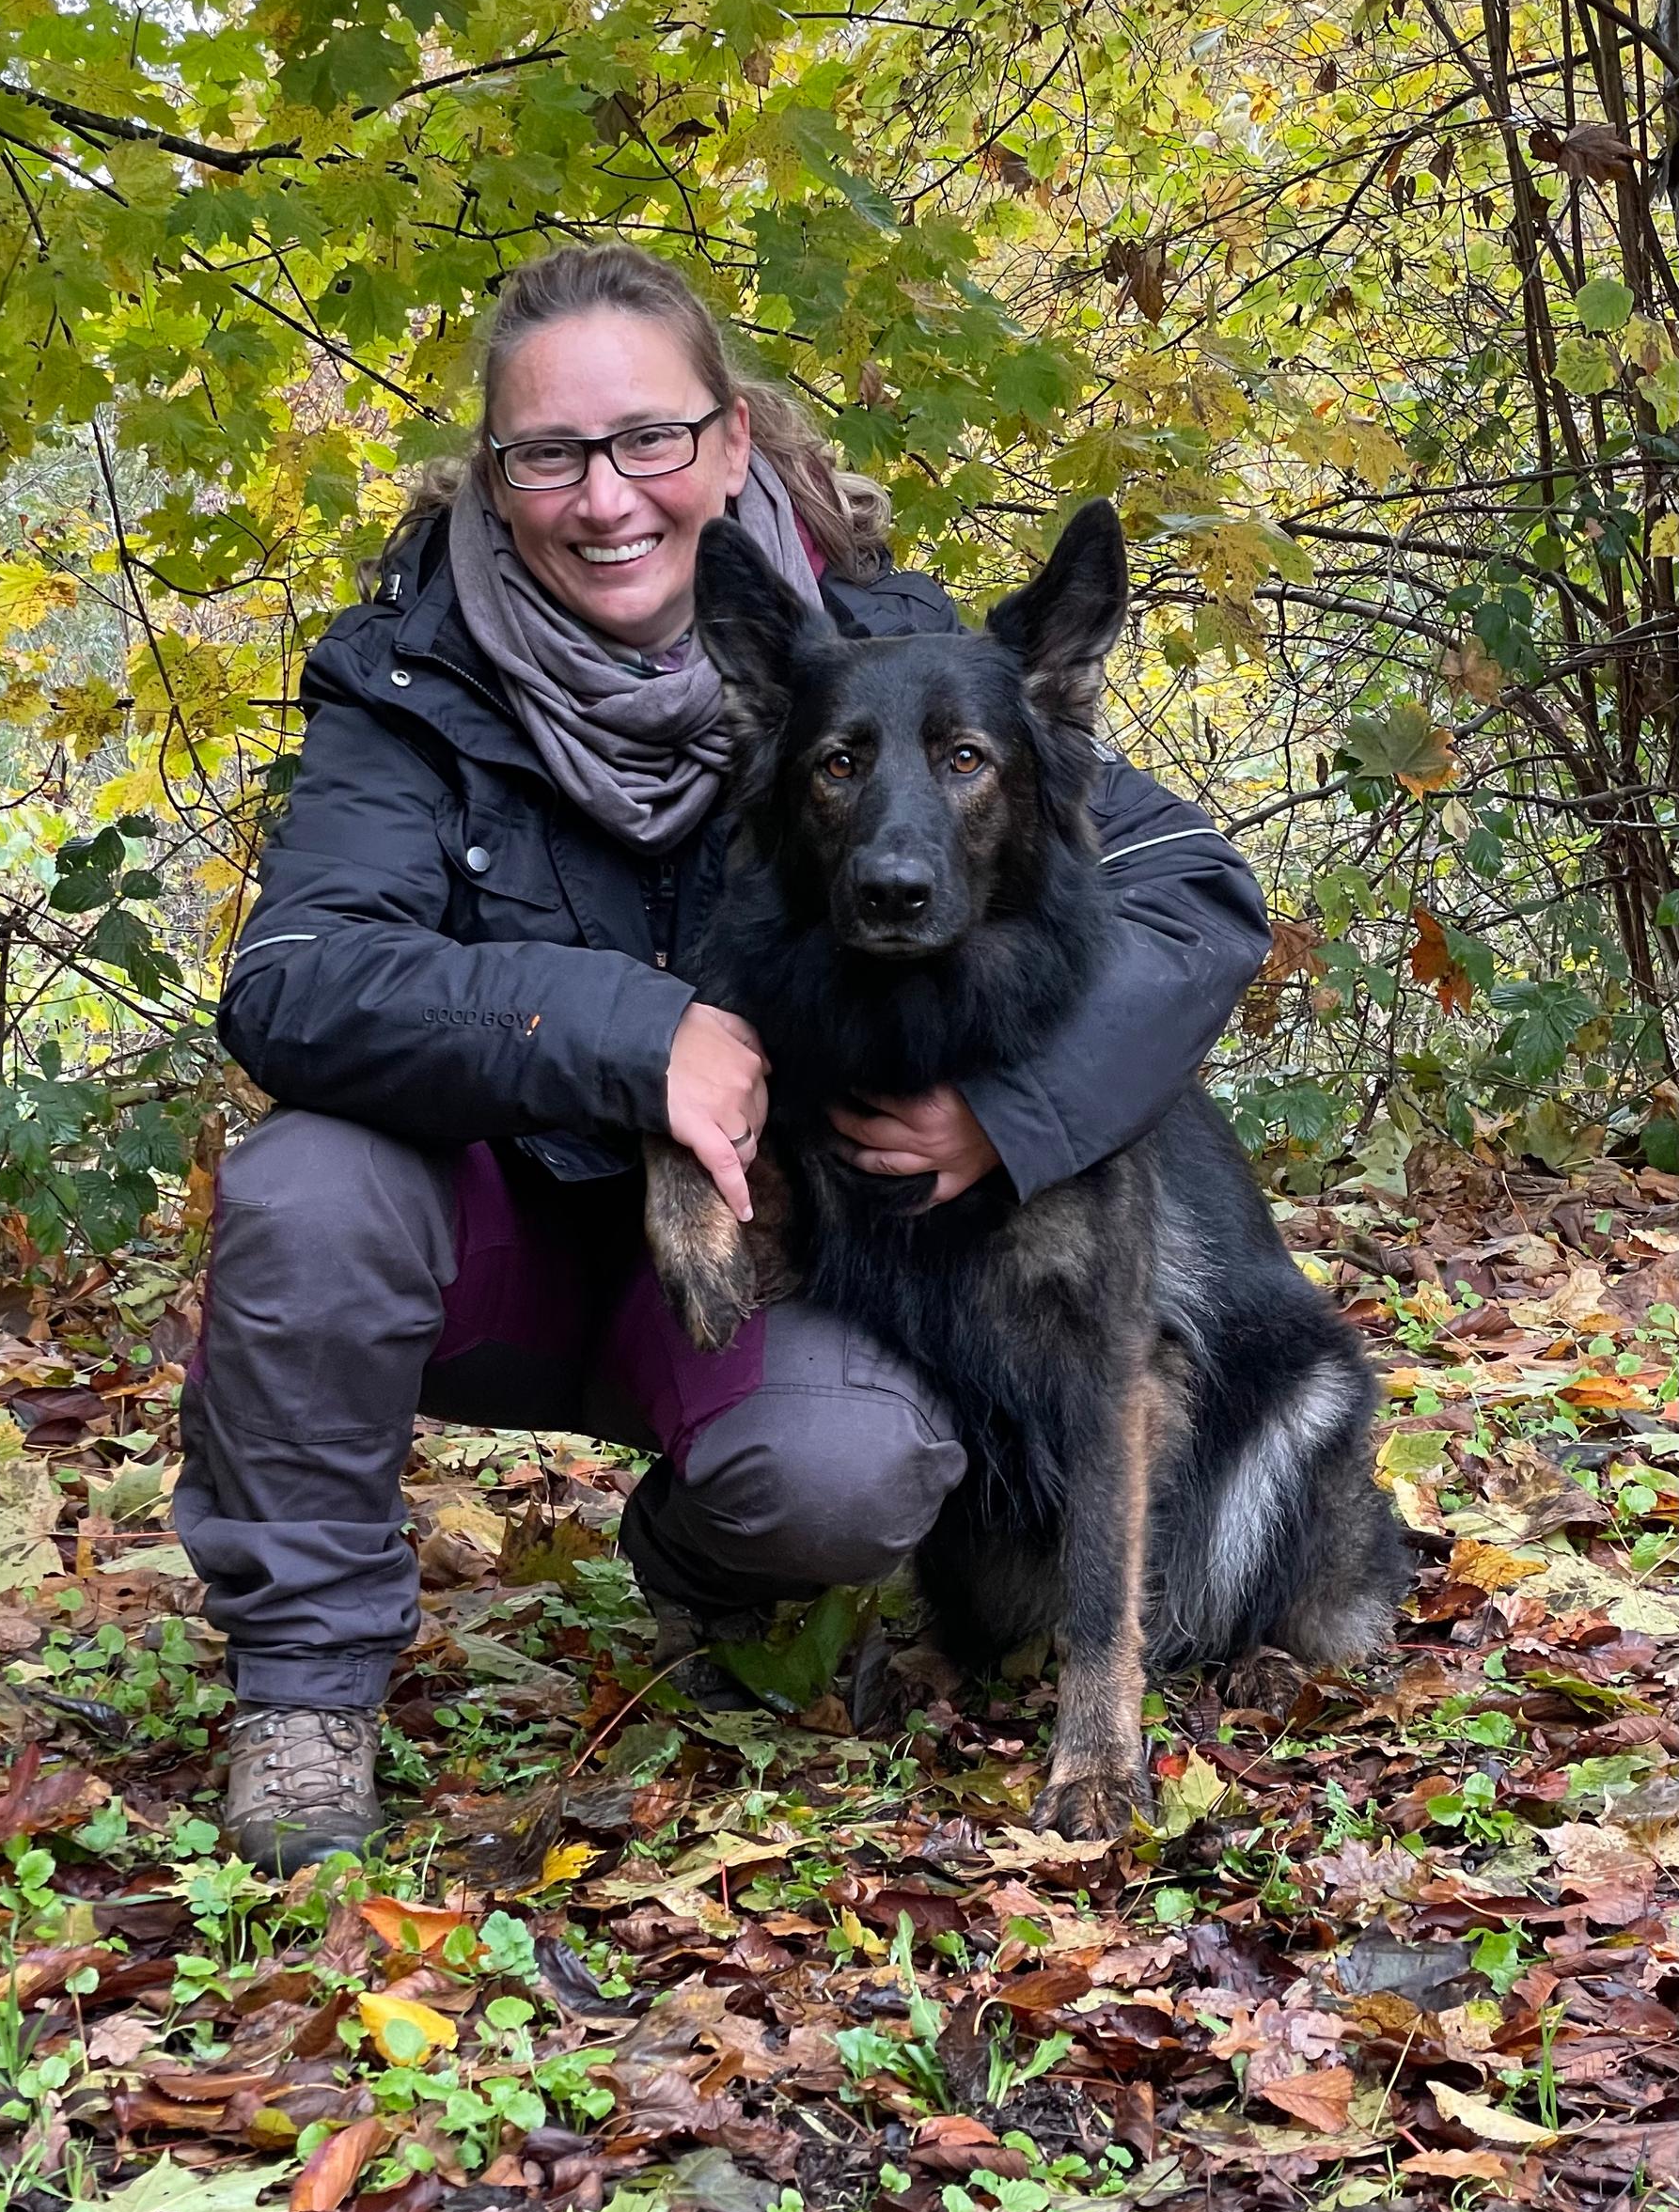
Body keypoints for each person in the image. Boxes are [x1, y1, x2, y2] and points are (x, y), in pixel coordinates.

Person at [173, 243, 1272, 1873]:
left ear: (730, 444)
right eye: (549, 453)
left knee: (850, 1467)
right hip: (500, 1232)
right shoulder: (407, 685)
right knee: (308, 1185)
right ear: (497, 472)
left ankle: (707, 1569)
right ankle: (305, 1703)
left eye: (647, 441)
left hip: (761, 1258)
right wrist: (643, 1035)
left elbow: (1191, 897)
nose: (604, 496)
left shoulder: (894, 658)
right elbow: (298, 981)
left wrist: (1008, 1112)